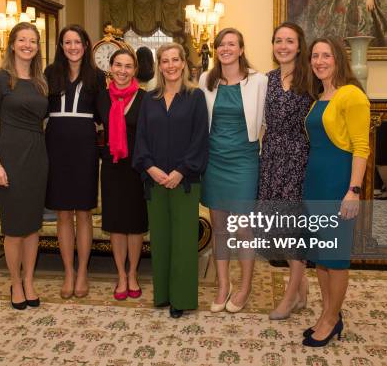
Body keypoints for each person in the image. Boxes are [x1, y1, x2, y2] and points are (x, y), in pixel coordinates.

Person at [302, 37, 370, 346]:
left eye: (325, 55)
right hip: (315, 184)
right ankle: (329, 313)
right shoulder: (320, 97)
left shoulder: (351, 94)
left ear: (338, 59)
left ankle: (331, 319)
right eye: (315, 55)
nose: (319, 61)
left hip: (338, 184)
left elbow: (361, 148)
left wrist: (353, 190)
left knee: (336, 257)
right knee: (320, 257)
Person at [133, 42, 208, 318]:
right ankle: (163, 294)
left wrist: (180, 171)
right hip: (154, 181)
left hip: (185, 181)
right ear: (159, 65)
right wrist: (150, 168)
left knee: (184, 242)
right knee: (161, 240)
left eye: (175, 59)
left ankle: (181, 298)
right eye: (165, 61)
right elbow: (140, 138)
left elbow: (201, 140)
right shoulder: (149, 99)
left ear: (183, 63)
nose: (171, 65)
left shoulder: (195, 97)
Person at [198, 28, 267, 314]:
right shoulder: (206, 79)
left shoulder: (258, 80)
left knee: (243, 229)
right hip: (214, 161)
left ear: (241, 49)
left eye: (231, 44)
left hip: (244, 161)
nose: (226, 48)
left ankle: (245, 285)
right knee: (220, 228)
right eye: (221, 45)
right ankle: (223, 285)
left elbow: (265, 121)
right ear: (216, 50)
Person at [0, 22, 48, 310]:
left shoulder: (41, 81)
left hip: (37, 157)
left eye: (33, 41)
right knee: (14, 228)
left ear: (37, 47)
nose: (27, 45)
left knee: (32, 227)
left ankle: (30, 280)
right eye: (22, 39)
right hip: (9, 156)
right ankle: (15, 282)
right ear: (12, 44)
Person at [44, 24, 106, 299]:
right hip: (55, 145)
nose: (72, 47)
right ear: (61, 46)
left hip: (84, 147)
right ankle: (68, 271)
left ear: (85, 45)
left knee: (83, 213)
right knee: (63, 214)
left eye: (77, 42)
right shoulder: (49, 73)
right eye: (67, 42)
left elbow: (106, 114)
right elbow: (38, 108)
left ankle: (82, 272)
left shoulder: (97, 76)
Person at [257, 22, 314, 320]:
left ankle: (290, 296)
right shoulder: (267, 80)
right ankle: (301, 285)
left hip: (299, 158)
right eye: (278, 40)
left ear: (299, 45)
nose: (283, 46)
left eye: (289, 41)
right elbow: (260, 122)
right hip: (272, 158)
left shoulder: (312, 78)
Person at [97, 48, 148, 300]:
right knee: (116, 225)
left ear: (134, 70)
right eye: (118, 65)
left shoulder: (145, 98)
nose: (122, 71)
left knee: (135, 225)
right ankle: (120, 275)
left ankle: (133, 274)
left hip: (137, 169)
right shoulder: (101, 98)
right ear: (111, 67)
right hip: (112, 168)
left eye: (128, 66)